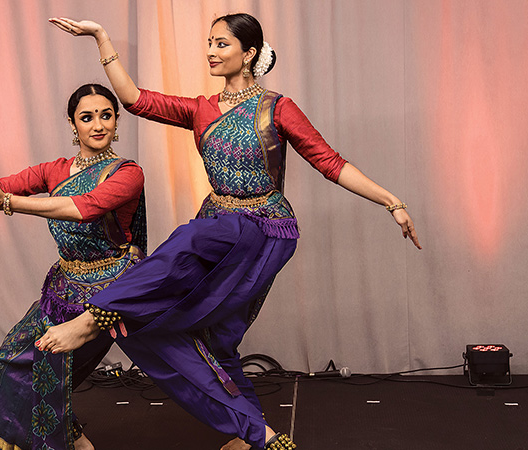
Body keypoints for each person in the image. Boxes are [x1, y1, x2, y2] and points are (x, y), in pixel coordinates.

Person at [40, 13, 422, 450]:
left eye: (221, 44)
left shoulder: (277, 108)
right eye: (208, 42)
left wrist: (391, 201)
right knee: (219, 340)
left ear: (249, 53)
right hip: (219, 219)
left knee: (186, 241)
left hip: (264, 228)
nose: (210, 51)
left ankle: (96, 317)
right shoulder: (201, 109)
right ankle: (252, 435)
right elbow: (134, 100)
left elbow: (329, 162)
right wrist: (101, 38)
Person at [0, 83, 146, 450]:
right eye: (86, 117)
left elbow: (84, 206)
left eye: (106, 115)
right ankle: (67, 434)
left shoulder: (127, 172)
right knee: (10, 359)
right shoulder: (55, 169)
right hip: (64, 286)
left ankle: (247, 427)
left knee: (54, 368)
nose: (98, 125)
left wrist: (7, 203)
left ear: (117, 120)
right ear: (73, 124)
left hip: (110, 291)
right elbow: (15, 182)